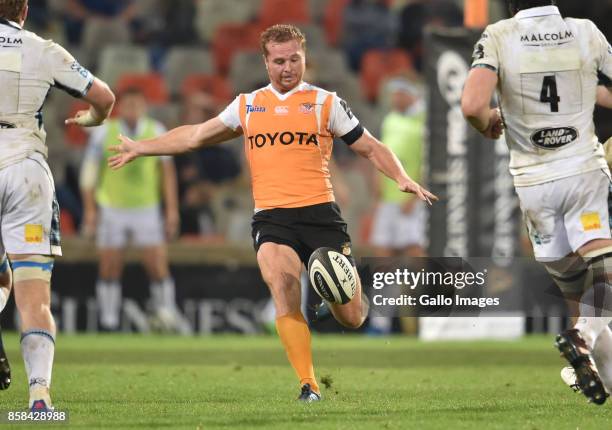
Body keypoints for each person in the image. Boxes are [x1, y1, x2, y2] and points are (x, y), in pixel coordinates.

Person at [108, 24, 437, 402]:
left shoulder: (325, 103)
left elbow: (371, 147)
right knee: (282, 287)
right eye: (279, 61)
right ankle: (308, 385)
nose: (287, 68)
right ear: (266, 62)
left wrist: (402, 177)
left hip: (320, 216)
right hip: (272, 217)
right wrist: (142, 147)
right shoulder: (248, 105)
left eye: (294, 59)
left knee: (353, 317)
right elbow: (196, 135)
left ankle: (336, 297)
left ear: (304, 58)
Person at [461, 0, 612, 405]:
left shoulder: (498, 35)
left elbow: (472, 106)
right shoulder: (585, 31)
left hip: (532, 182)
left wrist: (488, 122)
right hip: (582, 166)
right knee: (604, 269)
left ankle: (599, 369)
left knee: (575, 288)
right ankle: (583, 336)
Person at [0, 0, 115, 411]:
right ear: (24, 10)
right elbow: (103, 95)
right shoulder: (44, 48)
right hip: (26, 171)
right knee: (34, 296)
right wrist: (94, 119)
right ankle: (38, 397)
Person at [80, 87, 188, 333]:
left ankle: (166, 314)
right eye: (128, 105)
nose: (133, 110)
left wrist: (171, 210)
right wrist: (90, 210)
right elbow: (89, 173)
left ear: (144, 107)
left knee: (157, 264)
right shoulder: (105, 131)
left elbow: (167, 174)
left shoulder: (156, 131)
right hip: (111, 207)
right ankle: (108, 322)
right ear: (120, 107)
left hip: (146, 208)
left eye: (137, 105)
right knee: (109, 265)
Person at [367, 78, 427, 336]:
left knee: (417, 260)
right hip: (388, 202)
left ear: (411, 94)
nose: (394, 98)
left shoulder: (426, 120)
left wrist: (415, 196)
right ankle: (379, 323)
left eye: (399, 93)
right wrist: (376, 180)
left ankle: (423, 318)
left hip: (411, 201)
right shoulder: (390, 119)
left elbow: (430, 160)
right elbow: (381, 152)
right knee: (383, 261)